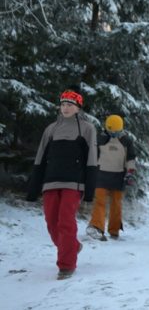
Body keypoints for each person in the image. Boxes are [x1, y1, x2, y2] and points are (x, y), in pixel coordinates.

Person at [26, 86, 98, 280]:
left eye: (70, 105)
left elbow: (91, 159)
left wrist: (90, 188)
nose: (65, 108)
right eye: (63, 104)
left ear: (78, 107)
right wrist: (34, 187)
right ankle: (73, 247)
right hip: (50, 181)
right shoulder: (50, 129)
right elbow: (40, 158)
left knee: (66, 222)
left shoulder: (87, 128)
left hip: (74, 183)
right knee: (51, 222)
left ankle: (66, 265)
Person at [86, 114, 136, 241]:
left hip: (119, 176)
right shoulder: (100, 139)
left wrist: (130, 172)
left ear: (121, 130)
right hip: (101, 174)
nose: (113, 134)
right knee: (99, 202)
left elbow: (131, 157)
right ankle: (97, 227)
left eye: (116, 132)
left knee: (116, 204)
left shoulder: (126, 141)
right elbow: (93, 156)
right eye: (110, 132)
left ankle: (114, 230)